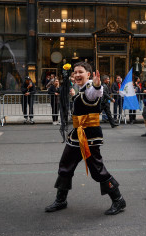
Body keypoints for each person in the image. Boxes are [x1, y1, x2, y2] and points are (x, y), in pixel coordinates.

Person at [45, 61, 126, 215]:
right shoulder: (81, 88)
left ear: (89, 74)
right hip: (77, 135)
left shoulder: (90, 87)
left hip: (89, 136)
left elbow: (94, 93)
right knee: (65, 165)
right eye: (75, 72)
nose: (76, 74)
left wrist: (96, 85)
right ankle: (61, 200)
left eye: (80, 72)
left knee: (97, 169)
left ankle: (118, 199)